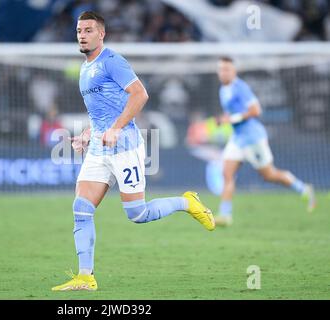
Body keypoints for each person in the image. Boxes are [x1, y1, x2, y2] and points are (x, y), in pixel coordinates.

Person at [52, 11, 215, 292]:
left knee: (137, 214)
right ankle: (85, 276)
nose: (82, 35)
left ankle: (187, 202)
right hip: (98, 149)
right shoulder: (84, 67)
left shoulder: (112, 61)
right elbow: (100, 113)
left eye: (89, 30)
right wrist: (87, 135)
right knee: (81, 208)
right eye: (79, 30)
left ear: (101, 34)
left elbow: (140, 94)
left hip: (125, 145)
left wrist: (116, 129)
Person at [214, 56, 316, 227]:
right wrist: (223, 119)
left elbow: (256, 110)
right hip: (238, 139)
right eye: (221, 69)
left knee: (269, 175)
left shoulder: (241, 87)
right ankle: (225, 215)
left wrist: (232, 118)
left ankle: (304, 189)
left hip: (253, 138)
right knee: (227, 174)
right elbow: (231, 114)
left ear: (234, 71)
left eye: (227, 69)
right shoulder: (223, 89)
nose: (223, 73)